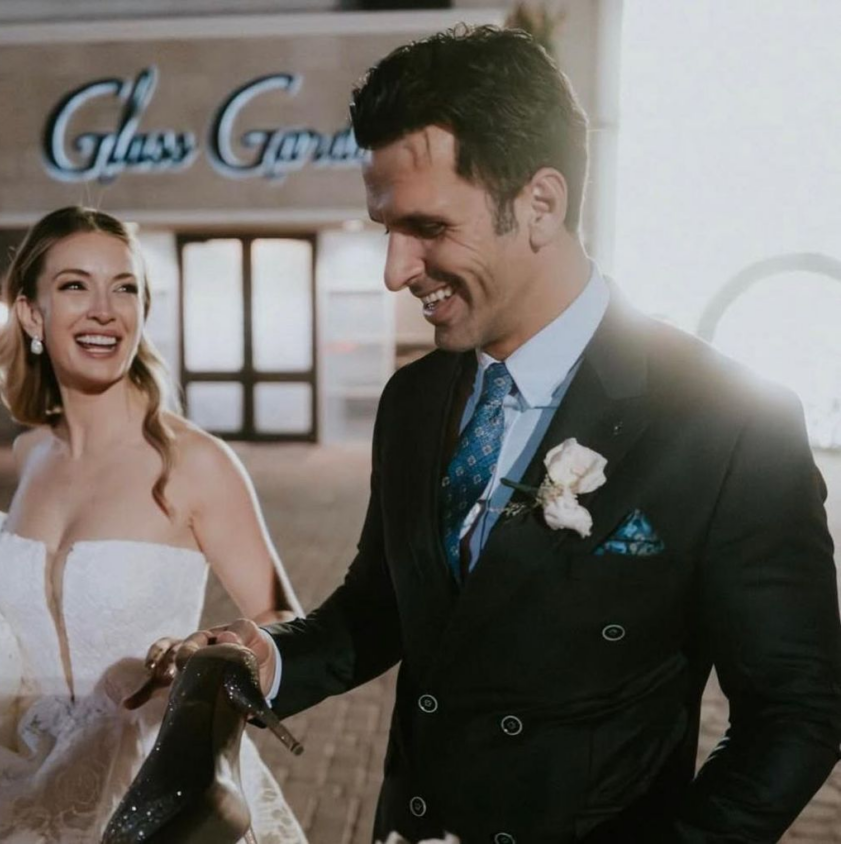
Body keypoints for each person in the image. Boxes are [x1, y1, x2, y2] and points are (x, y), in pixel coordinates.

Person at [152, 26, 841, 843]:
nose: (395, 270)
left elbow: (797, 712)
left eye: (428, 227)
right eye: (386, 230)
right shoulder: (414, 400)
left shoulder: (727, 422)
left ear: (540, 204)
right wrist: (271, 657)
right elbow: (383, 605)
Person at [0, 206, 307, 844]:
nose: (104, 310)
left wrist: (219, 653)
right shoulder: (32, 454)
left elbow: (283, 620)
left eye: (124, 288)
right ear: (30, 314)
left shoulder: (194, 463)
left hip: (151, 788)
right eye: (76, 285)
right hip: (27, 773)